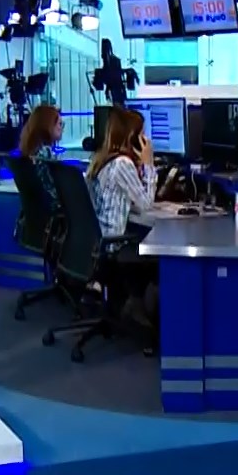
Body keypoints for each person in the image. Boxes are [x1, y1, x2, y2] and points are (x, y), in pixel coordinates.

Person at [86, 107, 160, 328]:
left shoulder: (102, 159)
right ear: (133, 139)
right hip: (114, 245)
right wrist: (149, 164)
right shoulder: (123, 165)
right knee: (158, 256)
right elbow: (146, 204)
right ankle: (140, 310)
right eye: (143, 135)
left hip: (99, 242)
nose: (146, 140)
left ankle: (130, 306)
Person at [17, 104, 64, 208]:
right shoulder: (45, 153)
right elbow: (54, 191)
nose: (62, 128)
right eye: (60, 124)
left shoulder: (29, 151)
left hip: (33, 213)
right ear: (48, 125)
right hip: (52, 211)